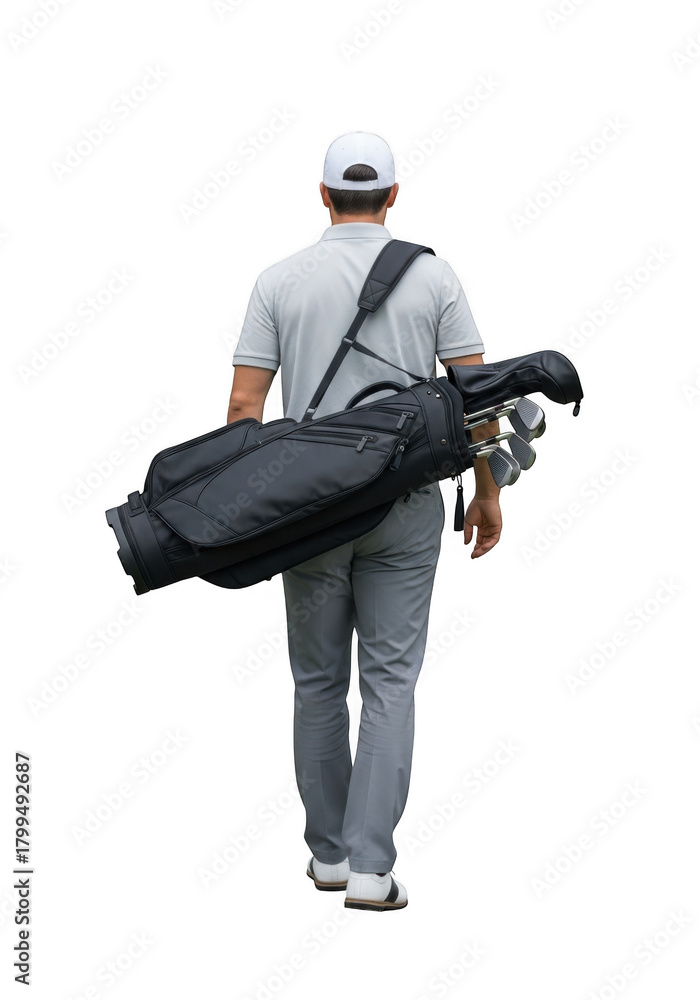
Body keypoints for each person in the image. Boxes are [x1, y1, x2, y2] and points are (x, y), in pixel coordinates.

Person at [226, 131, 502, 911]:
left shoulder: (278, 280)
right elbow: (477, 398)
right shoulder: (434, 276)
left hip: (307, 510)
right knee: (390, 684)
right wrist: (487, 492)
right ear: (392, 196)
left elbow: (244, 407)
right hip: (406, 506)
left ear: (323, 196)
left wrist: (249, 508)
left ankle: (328, 858)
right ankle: (373, 870)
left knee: (317, 685)